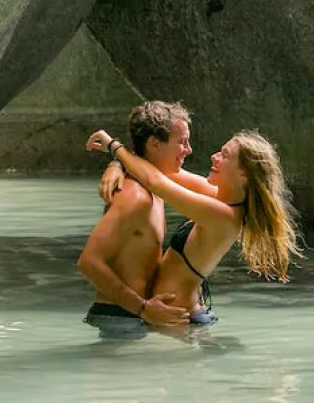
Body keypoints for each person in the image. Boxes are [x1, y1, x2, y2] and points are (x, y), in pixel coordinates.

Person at [86, 127, 301, 327]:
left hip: (181, 322)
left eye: (224, 155)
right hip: (175, 319)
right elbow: (161, 169)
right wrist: (116, 164)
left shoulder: (225, 217)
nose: (214, 156)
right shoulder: (220, 198)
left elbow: (156, 182)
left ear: (243, 174)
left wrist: (113, 146)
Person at [76, 101, 197, 338]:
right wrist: (143, 309)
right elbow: (89, 262)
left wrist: (117, 161)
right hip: (122, 318)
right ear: (154, 144)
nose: (189, 149)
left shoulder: (154, 188)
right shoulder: (135, 196)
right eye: (181, 142)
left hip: (131, 318)